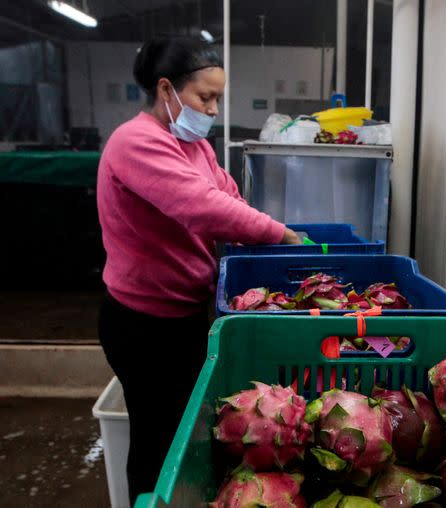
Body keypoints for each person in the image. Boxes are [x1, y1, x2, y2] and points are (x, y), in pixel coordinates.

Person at [95, 38, 299, 504]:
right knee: (156, 437)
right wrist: (281, 235)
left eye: (217, 99)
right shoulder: (135, 143)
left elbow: (228, 197)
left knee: (184, 433)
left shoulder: (194, 146)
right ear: (166, 90)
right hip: (142, 323)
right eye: (204, 97)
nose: (212, 109)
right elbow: (202, 208)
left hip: (185, 314)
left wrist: (260, 229)